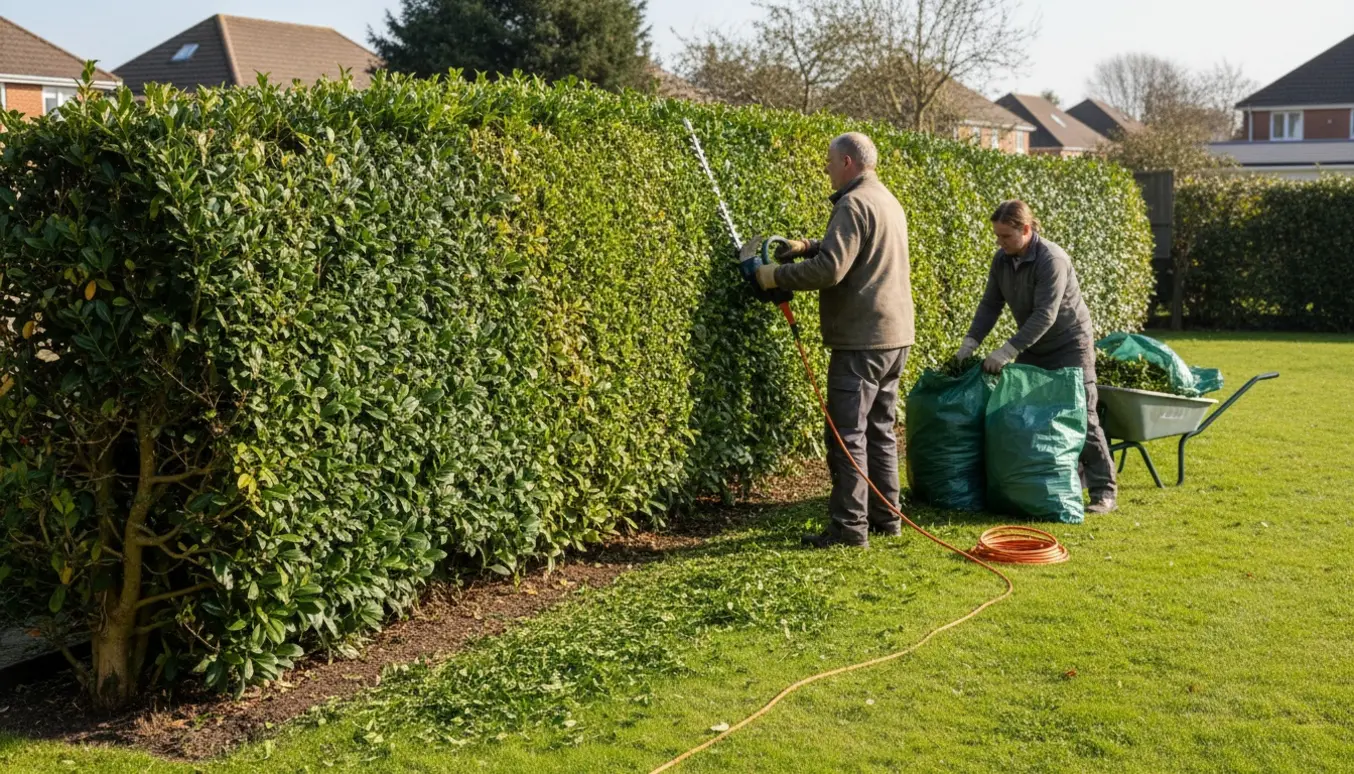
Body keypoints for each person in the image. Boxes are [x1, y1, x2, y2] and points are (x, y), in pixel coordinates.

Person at [752, 132, 914, 548]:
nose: (826, 168)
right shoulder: (886, 199)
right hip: (894, 336)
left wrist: (773, 275)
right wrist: (806, 246)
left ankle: (849, 529)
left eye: (829, 160)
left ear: (847, 162)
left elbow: (831, 270)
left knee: (847, 435)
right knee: (879, 431)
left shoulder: (852, 203)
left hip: (861, 340)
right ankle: (887, 519)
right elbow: (858, 248)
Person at [955, 200, 1117, 514]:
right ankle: (1044, 483)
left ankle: (1104, 492)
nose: (1000, 243)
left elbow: (1045, 315)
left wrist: (1007, 351)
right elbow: (990, 305)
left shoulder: (1051, 259)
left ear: (1026, 229)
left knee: (1082, 415)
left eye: (1006, 236)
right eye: (997, 236)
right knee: (1024, 412)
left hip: (1070, 344)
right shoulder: (1002, 260)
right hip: (1034, 344)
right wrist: (970, 343)